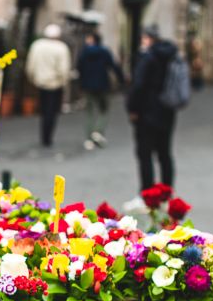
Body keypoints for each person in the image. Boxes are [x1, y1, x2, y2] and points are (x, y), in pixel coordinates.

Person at [127, 24, 179, 192]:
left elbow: (138, 85)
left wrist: (132, 108)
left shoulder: (148, 57)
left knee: (145, 154)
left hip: (147, 112)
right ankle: (166, 191)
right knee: (164, 153)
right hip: (167, 110)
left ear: (148, 39)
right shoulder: (172, 56)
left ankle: (148, 193)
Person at [76, 32, 125, 150]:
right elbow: (114, 66)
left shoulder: (84, 52)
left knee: (89, 111)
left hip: (87, 85)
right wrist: (121, 80)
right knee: (104, 110)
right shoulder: (104, 51)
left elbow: (79, 68)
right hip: (102, 85)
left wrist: (81, 83)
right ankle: (97, 131)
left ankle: (89, 139)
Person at [25, 23, 72, 147]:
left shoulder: (37, 46)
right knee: (51, 111)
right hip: (55, 84)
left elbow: (31, 64)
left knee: (44, 109)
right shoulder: (61, 48)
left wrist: (32, 78)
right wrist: (64, 82)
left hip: (40, 82)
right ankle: (47, 137)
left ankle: (44, 135)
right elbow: (64, 69)